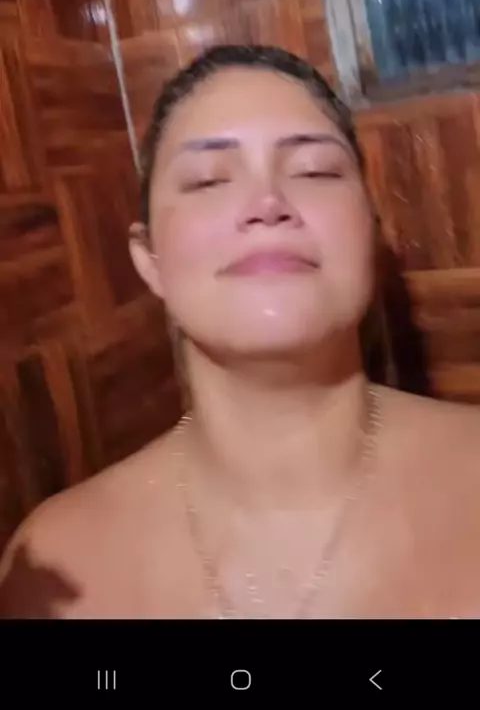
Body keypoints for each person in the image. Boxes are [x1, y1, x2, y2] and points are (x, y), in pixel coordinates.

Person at [1, 44, 479, 620]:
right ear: (149, 260)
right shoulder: (58, 566)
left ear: (369, 233)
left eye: (315, 171)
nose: (268, 203)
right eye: (207, 180)